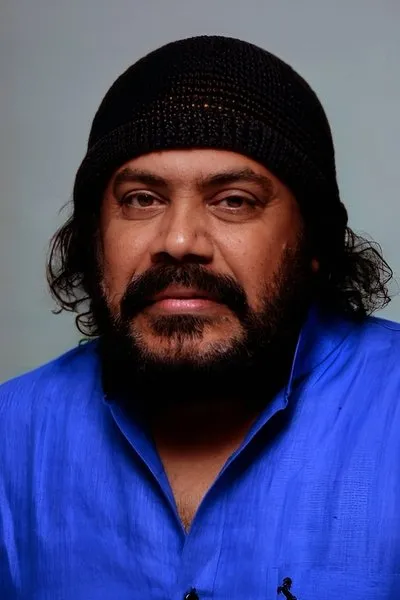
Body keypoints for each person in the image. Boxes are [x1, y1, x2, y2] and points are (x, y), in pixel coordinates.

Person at [0, 35, 399, 600]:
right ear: (94, 236)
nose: (180, 240)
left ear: (314, 241)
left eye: (234, 200)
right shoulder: (10, 436)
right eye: (141, 199)